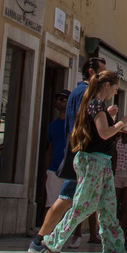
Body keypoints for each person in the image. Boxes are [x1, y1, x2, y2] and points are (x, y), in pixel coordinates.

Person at [41, 71, 127, 253]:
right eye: (114, 88)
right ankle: (53, 241)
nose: (114, 92)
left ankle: (113, 249)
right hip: (93, 162)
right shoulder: (96, 104)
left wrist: (109, 116)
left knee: (108, 207)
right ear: (106, 86)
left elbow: (97, 131)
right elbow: (105, 133)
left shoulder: (95, 105)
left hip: (101, 161)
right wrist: (122, 123)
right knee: (82, 205)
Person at [30, 57, 104, 253]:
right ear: (91, 73)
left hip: (78, 153)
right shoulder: (86, 94)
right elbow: (86, 125)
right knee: (65, 199)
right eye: (101, 73)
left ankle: (46, 240)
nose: (103, 79)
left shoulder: (78, 93)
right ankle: (41, 240)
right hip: (82, 155)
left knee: (75, 200)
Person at [42, 91, 69, 224]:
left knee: (70, 205)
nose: (59, 101)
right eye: (57, 99)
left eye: (63, 99)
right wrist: (47, 169)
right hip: (54, 169)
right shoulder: (52, 126)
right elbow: (50, 148)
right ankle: (47, 233)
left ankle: (75, 235)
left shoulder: (73, 125)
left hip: (70, 170)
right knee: (51, 203)